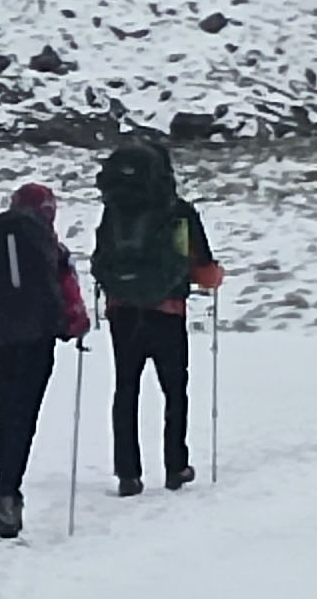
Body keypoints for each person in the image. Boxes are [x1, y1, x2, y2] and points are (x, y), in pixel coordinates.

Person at [88, 139, 224, 495]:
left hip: (122, 311)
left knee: (126, 388)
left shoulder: (114, 210)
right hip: (167, 311)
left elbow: (101, 256)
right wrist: (211, 276)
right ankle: (175, 467)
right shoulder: (179, 212)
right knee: (174, 390)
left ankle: (127, 474)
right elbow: (203, 271)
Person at [0, 182, 89, 541]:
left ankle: (6, 490)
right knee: (25, 414)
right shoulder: (51, 247)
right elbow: (68, 292)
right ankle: (9, 492)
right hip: (37, 337)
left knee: (5, 412)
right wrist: (75, 325)